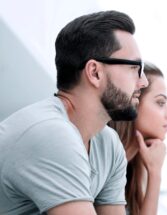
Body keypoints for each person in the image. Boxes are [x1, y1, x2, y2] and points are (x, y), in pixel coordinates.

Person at [0, 10, 148, 215]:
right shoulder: (50, 134)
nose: (143, 82)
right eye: (135, 68)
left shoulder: (108, 144)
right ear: (95, 72)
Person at [109, 62, 167, 215]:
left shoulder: (133, 169)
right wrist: (155, 174)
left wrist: (153, 172)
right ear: (134, 102)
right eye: (160, 103)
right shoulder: (105, 160)